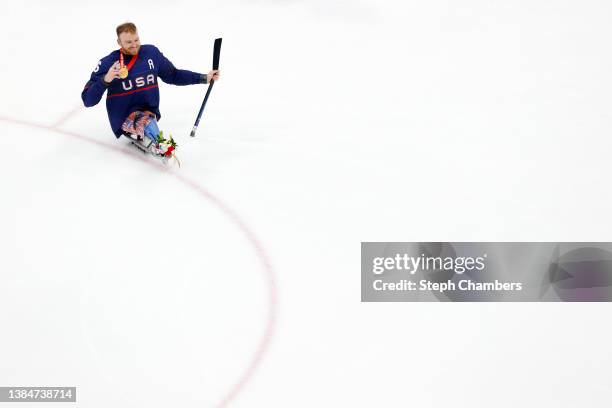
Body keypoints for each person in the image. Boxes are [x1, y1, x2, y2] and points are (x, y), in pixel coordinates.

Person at [81, 22, 220, 155]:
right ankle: (161, 145)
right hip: (124, 116)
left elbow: (173, 75)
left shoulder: (151, 53)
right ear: (119, 42)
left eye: (136, 40)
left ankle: (154, 137)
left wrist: (203, 78)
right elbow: (88, 100)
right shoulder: (108, 63)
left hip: (148, 111)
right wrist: (106, 78)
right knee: (147, 123)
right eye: (128, 42)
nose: (134, 45)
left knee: (148, 120)